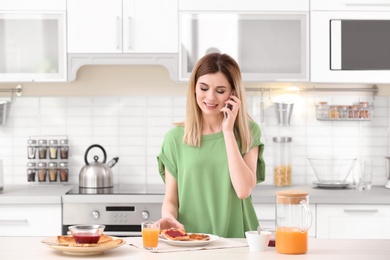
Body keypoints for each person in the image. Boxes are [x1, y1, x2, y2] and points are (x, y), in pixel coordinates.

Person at [156, 53, 265, 238]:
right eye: (204, 88)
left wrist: (228, 132)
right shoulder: (174, 138)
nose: (210, 97)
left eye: (220, 91)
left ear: (233, 94)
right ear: (194, 89)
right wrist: (168, 217)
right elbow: (171, 199)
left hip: (237, 240)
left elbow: (243, 190)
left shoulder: (248, 131)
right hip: (190, 241)